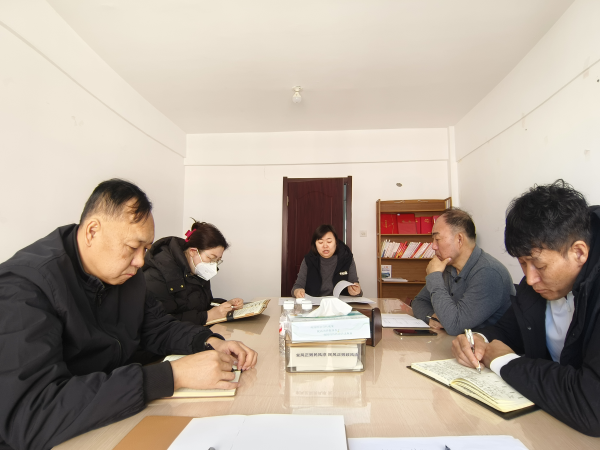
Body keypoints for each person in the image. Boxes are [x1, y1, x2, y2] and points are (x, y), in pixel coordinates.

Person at [0, 179, 257, 450]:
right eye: (132, 247)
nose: (140, 261)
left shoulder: (126, 275)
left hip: (112, 417)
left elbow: (158, 326)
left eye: (145, 249)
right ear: (92, 231)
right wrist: (171, 376)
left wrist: (208, 340)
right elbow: (29, 416)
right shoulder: (24, 287)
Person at [451, 180, 600, 437]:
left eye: (539, 266)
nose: (530, 279)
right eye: (522, 264)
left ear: (579, 252)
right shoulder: (538, 287)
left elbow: (592, 406)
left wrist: (504, 361)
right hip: (546, 425)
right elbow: (507, 330)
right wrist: (477, 339)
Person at [412, 208, 514, 335]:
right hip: (453, 342)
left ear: (459, 239)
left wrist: (434, 276)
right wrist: (430, 316)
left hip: (486, 346)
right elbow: (419, 301)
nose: (433, 246)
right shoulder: (448, 267)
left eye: (437, 239)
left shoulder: (489, 272)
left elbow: (455, 326)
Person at [143, 220, 243, 326]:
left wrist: (226, 305)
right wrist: (207, 316)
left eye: (217, 260)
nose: (213, 265)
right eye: (211, 258)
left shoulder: (197, 270)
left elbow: (201, 306)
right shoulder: (157, 275)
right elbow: (159, 323)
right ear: (193, 252)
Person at [292, 224, 362, 298]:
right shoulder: (308, 260)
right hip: (315, 303)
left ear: (336, 242)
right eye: (320, 242)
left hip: (340, 303)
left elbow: (355, 286)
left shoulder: (346, 258)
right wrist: (297, 291)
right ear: (315, 244)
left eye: (329, 242)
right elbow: (297, 286)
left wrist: (356, 291)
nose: (325, 246)